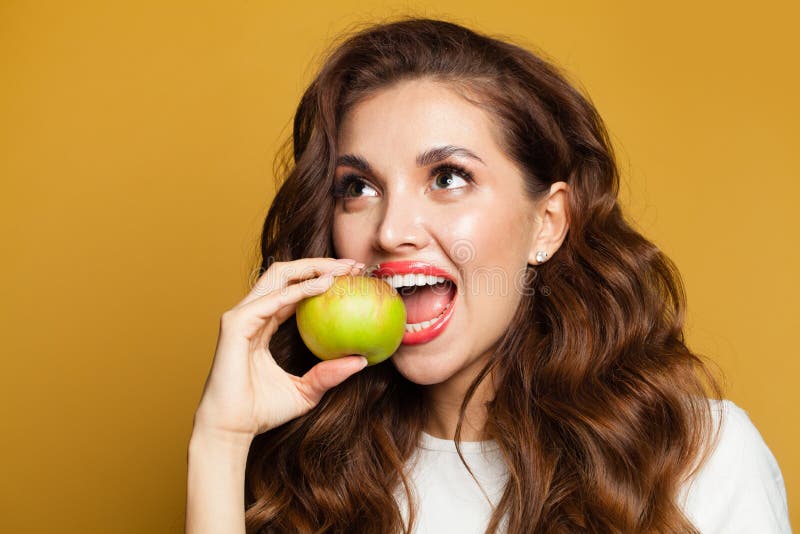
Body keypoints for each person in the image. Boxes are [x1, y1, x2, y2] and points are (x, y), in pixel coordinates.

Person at [185, 18, 791, 533]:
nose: (391, 230)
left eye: (447, 178)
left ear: (547, 223)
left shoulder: (700, 458)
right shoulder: (310, 470)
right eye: (359, 187)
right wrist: (220, 441)